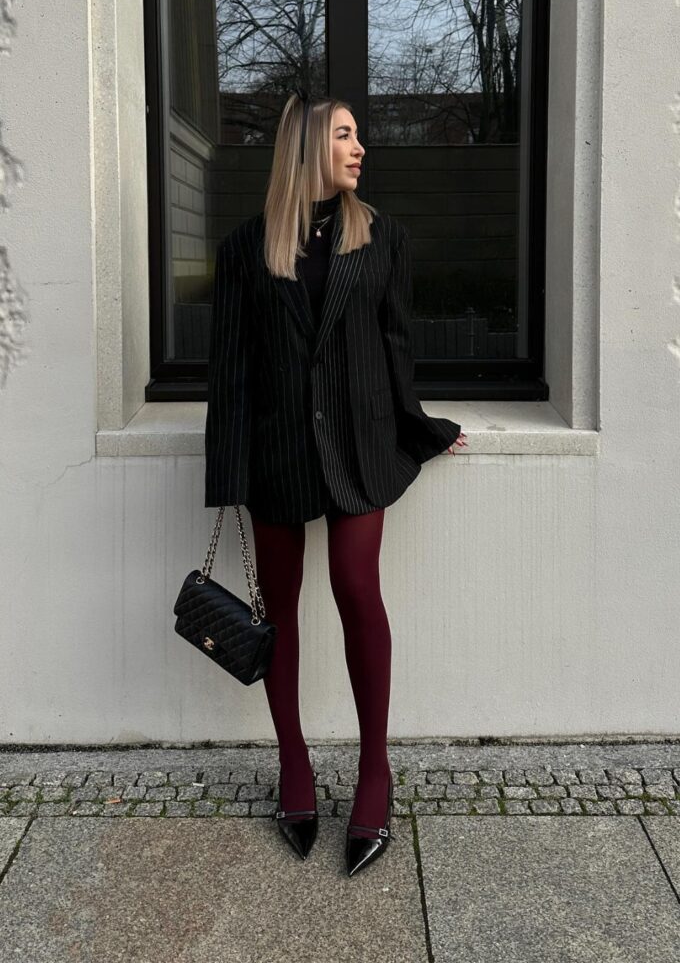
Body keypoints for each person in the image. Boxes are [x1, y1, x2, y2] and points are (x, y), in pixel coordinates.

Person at [204, 90, 468, 877]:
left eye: (359, 137)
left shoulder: (382, 237)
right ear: (309, 145)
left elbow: (394, 349)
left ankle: (375, 773)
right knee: (275, 614)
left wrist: (421, 430)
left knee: (358, 592)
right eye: (347, 136)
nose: (360, 149)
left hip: (359, 449)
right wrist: (229, 475)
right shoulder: (246, 248)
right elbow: (230, 374)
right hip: (279, 453)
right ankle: (292, 764)